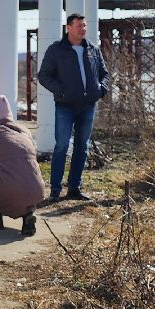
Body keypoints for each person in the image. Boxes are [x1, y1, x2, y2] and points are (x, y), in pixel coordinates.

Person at [37, 13, 110, 202]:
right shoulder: (56, 50)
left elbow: (105, 73)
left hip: (88, 105)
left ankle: (74, 188)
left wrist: (101, 90)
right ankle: (55, 189)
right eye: (79, 26)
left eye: (85, 26)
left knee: (82, 147)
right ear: (68, 28)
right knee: (61, 146)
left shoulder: (93, 49)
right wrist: (61, 91)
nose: (83, 29)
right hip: (65, 106)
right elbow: (44, 75)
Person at [0, 95, 47, 236]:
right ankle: (28, 217)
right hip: (36, 188)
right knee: (26, 176)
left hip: (11, 186)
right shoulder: (24, 131)